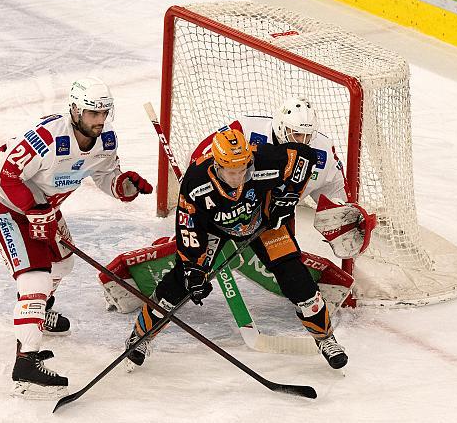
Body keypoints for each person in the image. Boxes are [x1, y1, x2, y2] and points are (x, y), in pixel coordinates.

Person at [0, 77, 153, 398]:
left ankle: (40, 313)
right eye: (92, 113)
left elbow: (106, 176)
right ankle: (26, 359)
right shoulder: (45, 137)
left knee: (62, 263)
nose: (99, 121)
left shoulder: (106, 140)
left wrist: (124, 186)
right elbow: (7, 175)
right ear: (74, 110)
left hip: (43, 206)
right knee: (34, 277)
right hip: (6, 204)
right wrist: (33, 210)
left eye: (104, 113)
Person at [123, 128, 348, 371]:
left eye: (244, 170)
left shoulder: (262, 158)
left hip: (263, 223)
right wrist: (193, 269)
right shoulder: (196, 182)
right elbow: (188, 229)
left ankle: (326, 339)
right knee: (181, 282)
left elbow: (305, 157)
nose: (239, 177)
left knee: (296, 278)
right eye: (231, 172)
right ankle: (140, 336)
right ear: (217, 165)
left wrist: (289, 198)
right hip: (213, 229)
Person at [189, 96, 347, 205]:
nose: (301, 142)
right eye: (296, 134)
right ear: (280, 126)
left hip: (276, 218)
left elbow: (336, 193)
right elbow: (203, 155)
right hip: (230, 207)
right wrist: (192, 179)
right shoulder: (247, 130)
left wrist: (344, 213)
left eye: (307, 135)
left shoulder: (324, 152)